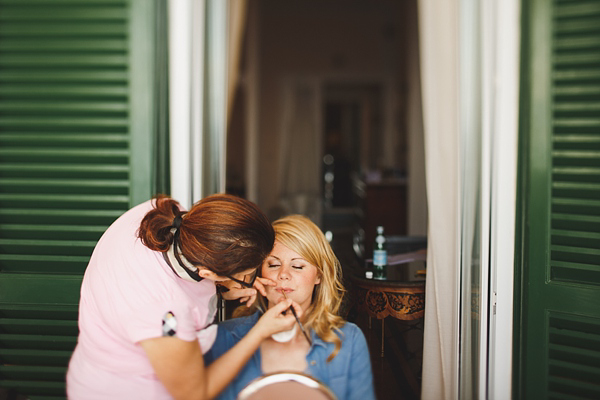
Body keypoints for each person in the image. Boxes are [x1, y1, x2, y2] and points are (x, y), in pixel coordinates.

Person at [66, 194, 301, 399]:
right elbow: (195, 394)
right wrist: (259, 331)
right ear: (208, 273)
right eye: (248, 274)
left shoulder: (161, 213)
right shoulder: (165, 312)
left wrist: (227, 282)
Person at [205, 214, 376, 400]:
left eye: (297, 266)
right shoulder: (223, 337)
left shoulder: (348, 340)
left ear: (318, 276)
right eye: (274, 264)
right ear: (259, 272)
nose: (283, 274)